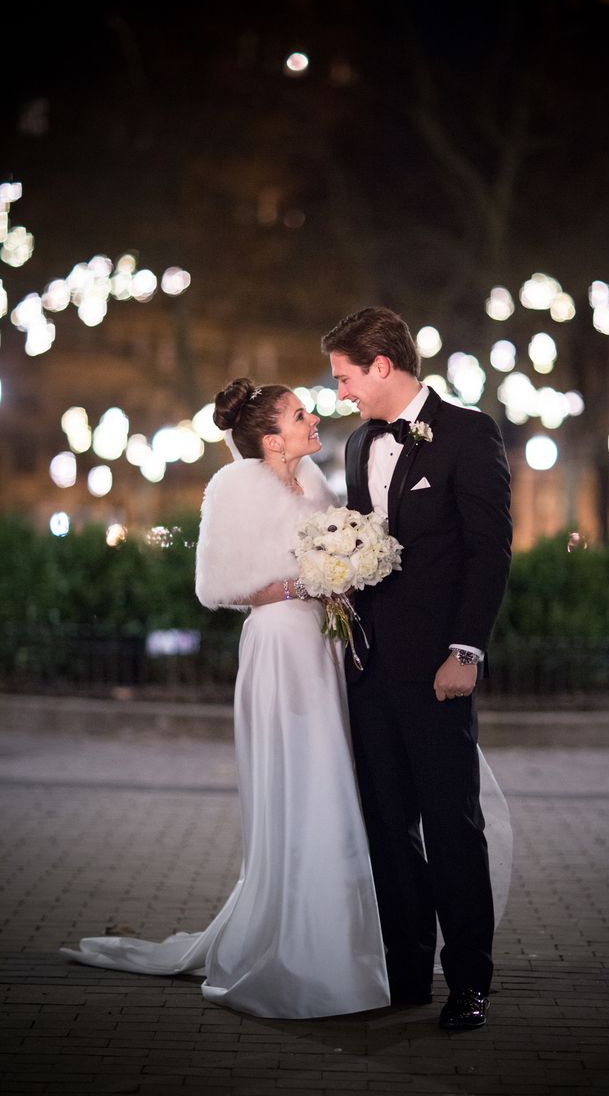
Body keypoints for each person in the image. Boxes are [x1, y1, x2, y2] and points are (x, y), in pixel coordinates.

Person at [60, 377, 391, 1019]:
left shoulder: (318, 483)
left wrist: (348, 569)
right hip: (278, 650)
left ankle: (342, 937)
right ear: (272, 438)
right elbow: (218, 585)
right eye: (300, 414)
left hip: (320, 649)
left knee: (332, 777)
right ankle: (292, 944)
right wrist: (305, 584)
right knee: (299, 780)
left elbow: (336, 555)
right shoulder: (233, 488)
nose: (313, 416)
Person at [322, 306, 513, 1030]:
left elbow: (489, 552)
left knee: (452, 826)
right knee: (387, 827)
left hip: (438, 670)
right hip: (369, 673)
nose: (340, 394)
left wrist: (465, 650)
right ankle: (406, 974)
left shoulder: (470, 432)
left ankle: (469, 981)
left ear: (382, 366)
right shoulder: (354, 446)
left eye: (345, 377)